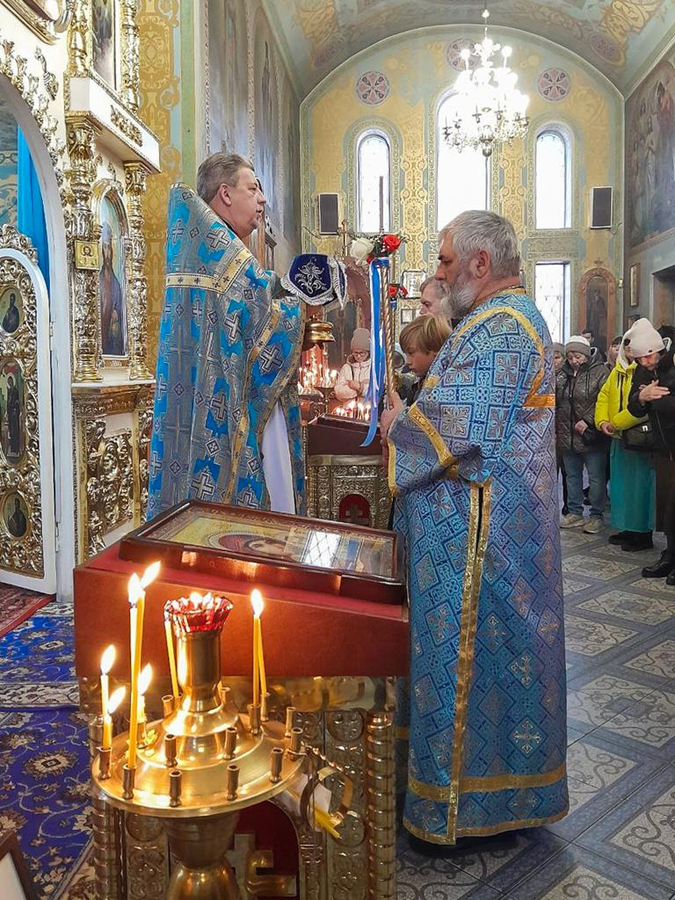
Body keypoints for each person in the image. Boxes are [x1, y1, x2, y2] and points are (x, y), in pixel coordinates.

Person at [381, 210, 567, 846]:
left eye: (444, 260)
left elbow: (455, 426)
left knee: (486, 658)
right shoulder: (491, 323)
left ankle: (469, 806)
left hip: (489, 539)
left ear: (481, 264)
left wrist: (399, 429)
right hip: (485, 526)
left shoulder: (505, 329)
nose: (436, 273)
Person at [147, 152, 345, 519]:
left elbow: (256, 301)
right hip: (228, 406)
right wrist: (300, 305)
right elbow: (264, 314)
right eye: (252, 189)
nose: (262, 199)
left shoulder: (205, 246)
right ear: (225, 194)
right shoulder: (221, 251)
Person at [595, 329, 654, 551]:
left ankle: (642, 534)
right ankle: (628, 528)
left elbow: (642, 409)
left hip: (638, 440)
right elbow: (604, 396)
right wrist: (602, 422)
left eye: (633, 343)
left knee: (640, 488)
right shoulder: (617, 371)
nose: (628, 347)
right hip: (618, 439)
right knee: (622, 488)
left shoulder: (645, 372)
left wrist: (616, 423)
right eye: (626, 343)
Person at [627, 321, 675, 581]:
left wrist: (658, 399)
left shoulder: (672, 365)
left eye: (648, 356)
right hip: (662, 448)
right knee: (667, 505)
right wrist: (642, 398)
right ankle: (669, 554)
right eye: (639, 359)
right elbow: (633, 406)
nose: (644, 363)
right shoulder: (642, 370)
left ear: (658, 350)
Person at [556, 335, 608, 533]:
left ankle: (596, 515)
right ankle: (575, 512)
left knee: (595, 477)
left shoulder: (600, 372)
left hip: (589, 433)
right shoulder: (563, 373)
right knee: (572, 476)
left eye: (577, 356)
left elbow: (604, 400)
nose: (574, 361)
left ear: (586, 354)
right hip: (567, 434)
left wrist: (588, 420)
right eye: (569, 357)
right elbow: (556, 399)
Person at [397, 314, 450, 406]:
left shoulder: (440, 390)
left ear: (435, 350)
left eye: (411, 353)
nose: (408, 361)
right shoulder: (421, 383)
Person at [100, 223, 125, 356]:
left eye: (109, 247)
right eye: (104, 247)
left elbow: (121, 311)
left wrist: (116, 313)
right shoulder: (97, 281)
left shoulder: (116, 283)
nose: (108, 253)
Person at [334, 328, 371, 402]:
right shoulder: (346, 368)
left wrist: (359, 387)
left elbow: (376, 392)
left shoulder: (373, 368)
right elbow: (338, 392)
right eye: (355, 353)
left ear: (368, 352)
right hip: (348, 410)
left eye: (362, 353)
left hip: (368, 410)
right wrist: (357, 390)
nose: (358, 356)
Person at [6, 374, 21, 457]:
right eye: (9, 381)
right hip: (10, 413)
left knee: (15, 431)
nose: (10, 383)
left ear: (13, 382)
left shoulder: (15, 391)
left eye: (11, 381)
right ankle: (12, 448)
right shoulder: (9, 391)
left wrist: (15, 406)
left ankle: (16, 449)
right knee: (11, 431)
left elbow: (17, 402)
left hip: (14, 413)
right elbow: (8, 402)